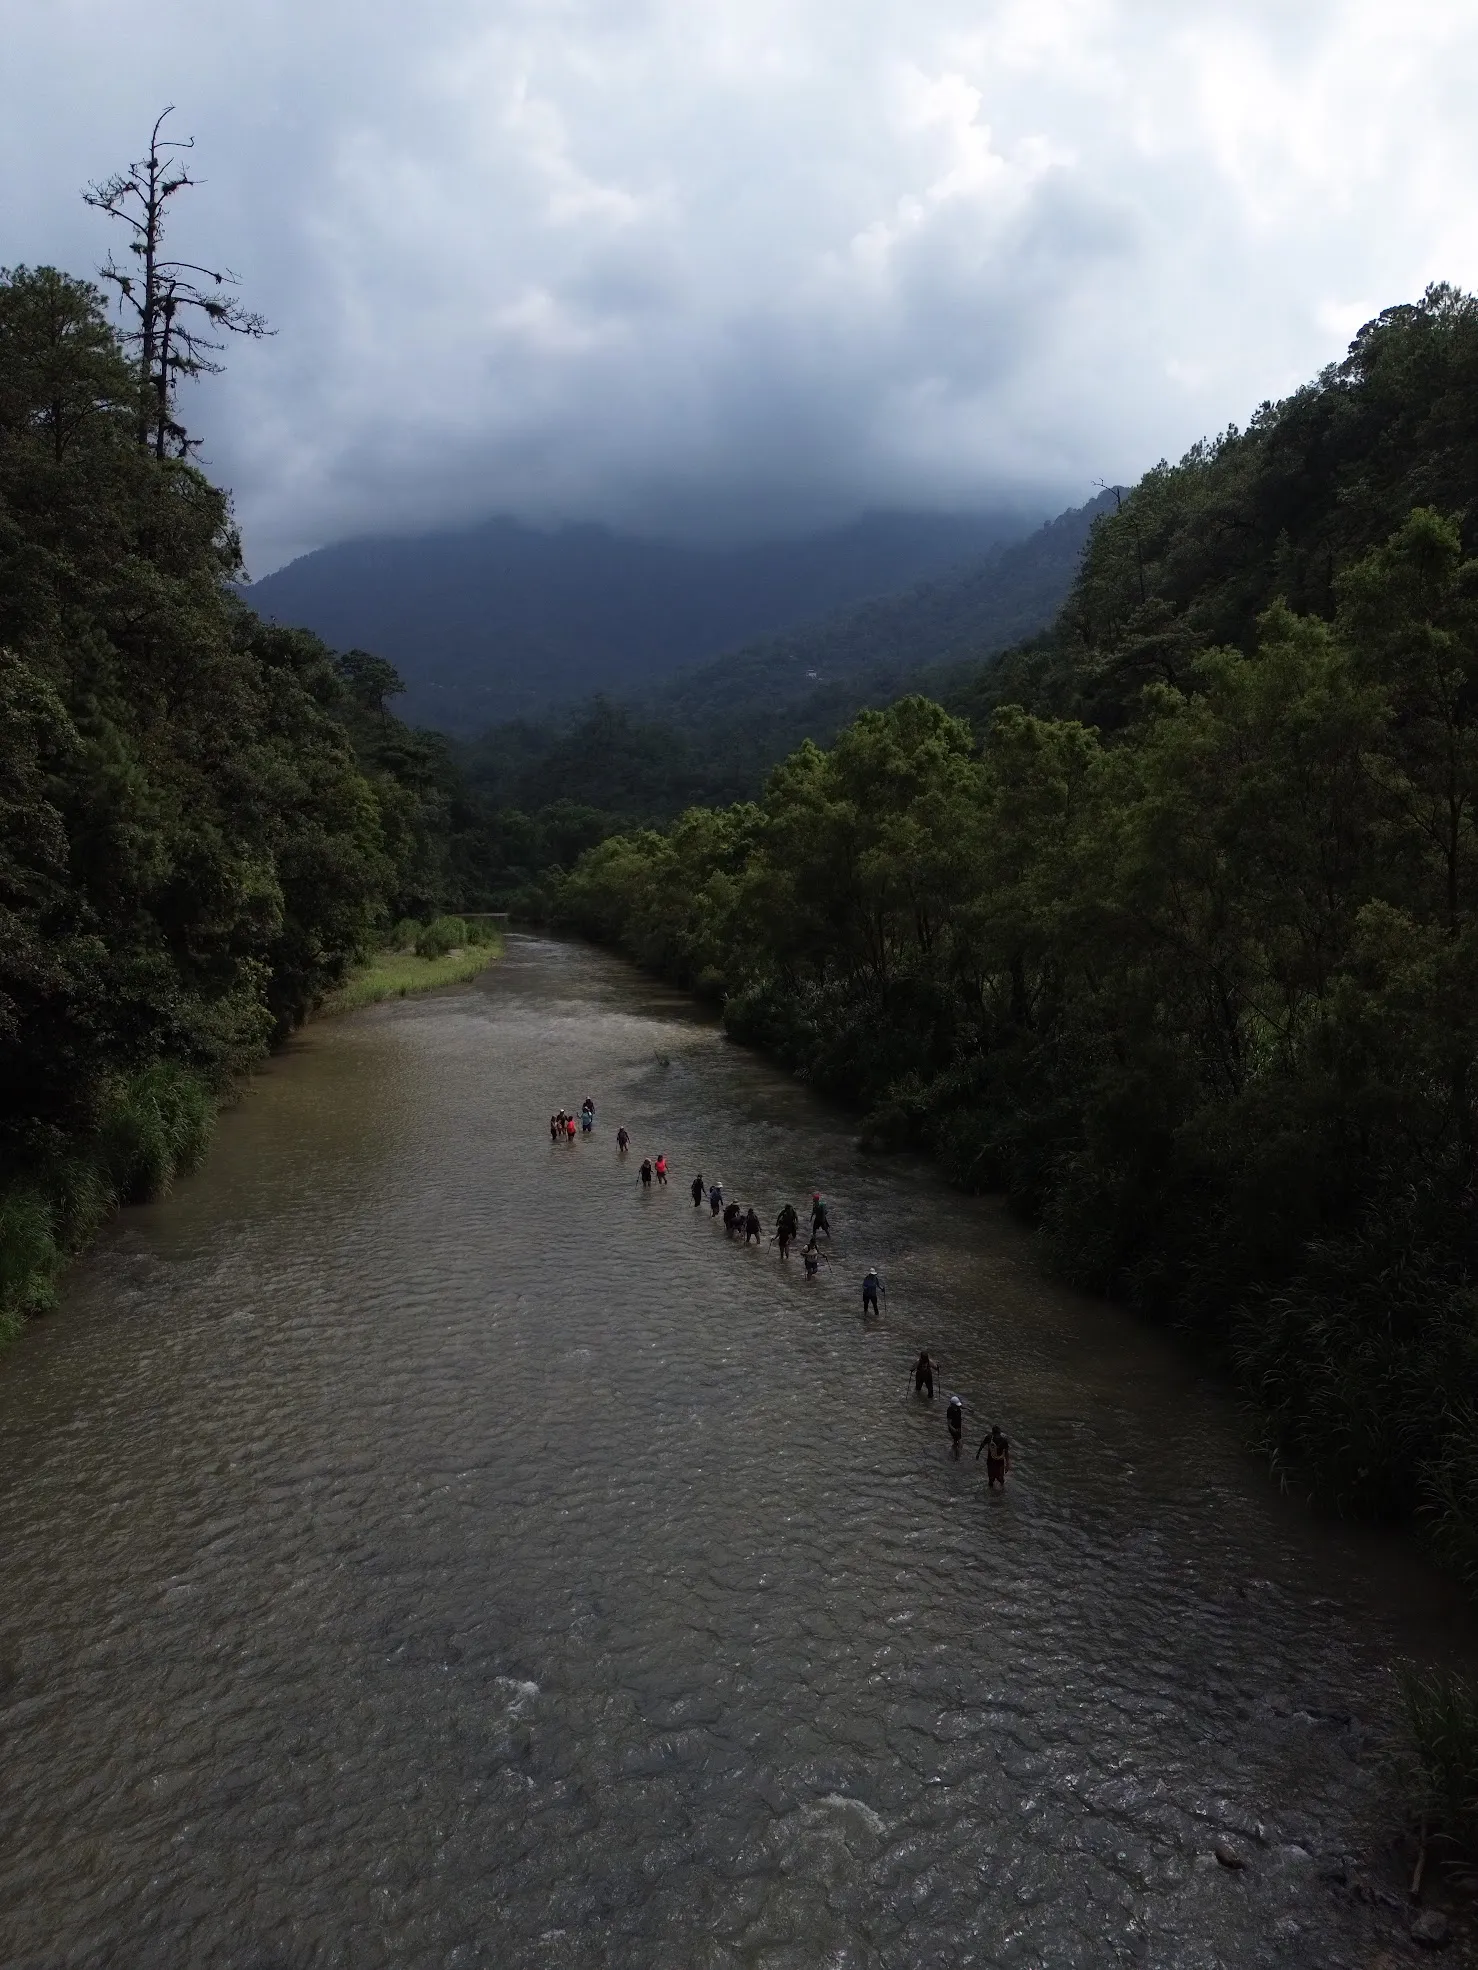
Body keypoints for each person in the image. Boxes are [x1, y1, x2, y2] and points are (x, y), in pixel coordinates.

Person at [946, 1394, 963, 1459]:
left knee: (956, 1442)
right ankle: (957, 1457)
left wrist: (968, 1409)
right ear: (952, 1405)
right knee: (960, 1443)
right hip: (954, 1428)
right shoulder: (950, 1411)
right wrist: (954, 1430)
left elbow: (961, 1406)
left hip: (958, 1427)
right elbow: (949, 1423)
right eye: (956, 1405)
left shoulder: (957, 1406)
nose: (958, 1406)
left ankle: (952, 1451)